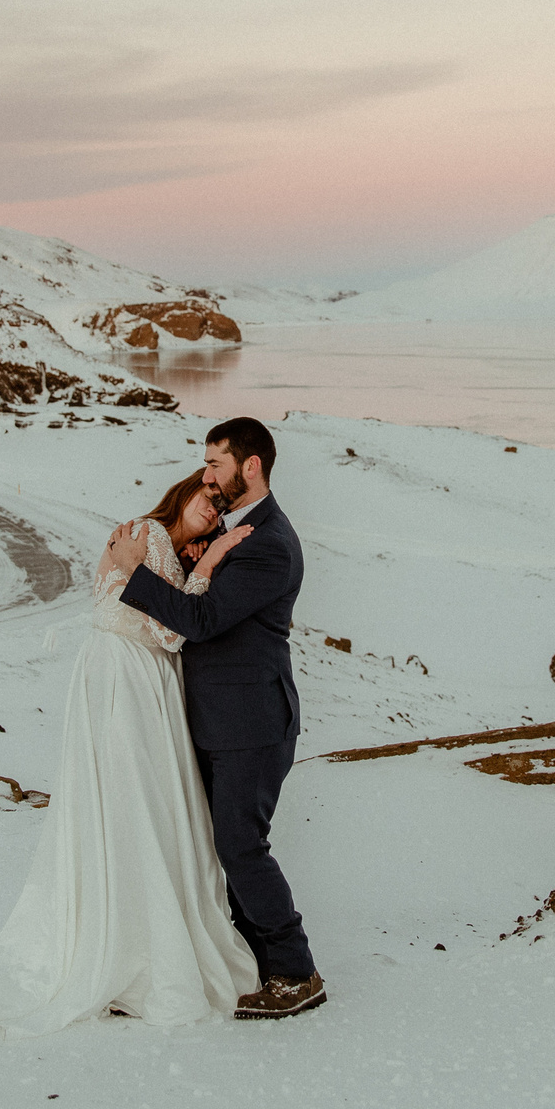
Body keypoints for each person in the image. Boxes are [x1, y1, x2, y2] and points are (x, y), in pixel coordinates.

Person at [0, 471, 261, 1035]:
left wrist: (194, 569)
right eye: (207, 498)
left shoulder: (158, 543)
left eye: (220, 509)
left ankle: (133, 927)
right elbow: (168, 634)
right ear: (184, 491)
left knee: (138, 801)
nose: (213, 511)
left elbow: (157, 615)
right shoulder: (146, 535)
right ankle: (131, 944)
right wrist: (209, 566)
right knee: (134, 799)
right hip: (127, 675)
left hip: (133, 675)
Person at [106, 415, 324, 1020]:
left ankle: (295, 972)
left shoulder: (269, 545)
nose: (206, 475)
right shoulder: (241, 532)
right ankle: (247, 961)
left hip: (252, 722)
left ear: (250, 466)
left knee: (240, 845)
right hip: (220, 719)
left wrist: (135, 574)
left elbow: (199, 622)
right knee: (218, 845)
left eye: (215, 464)